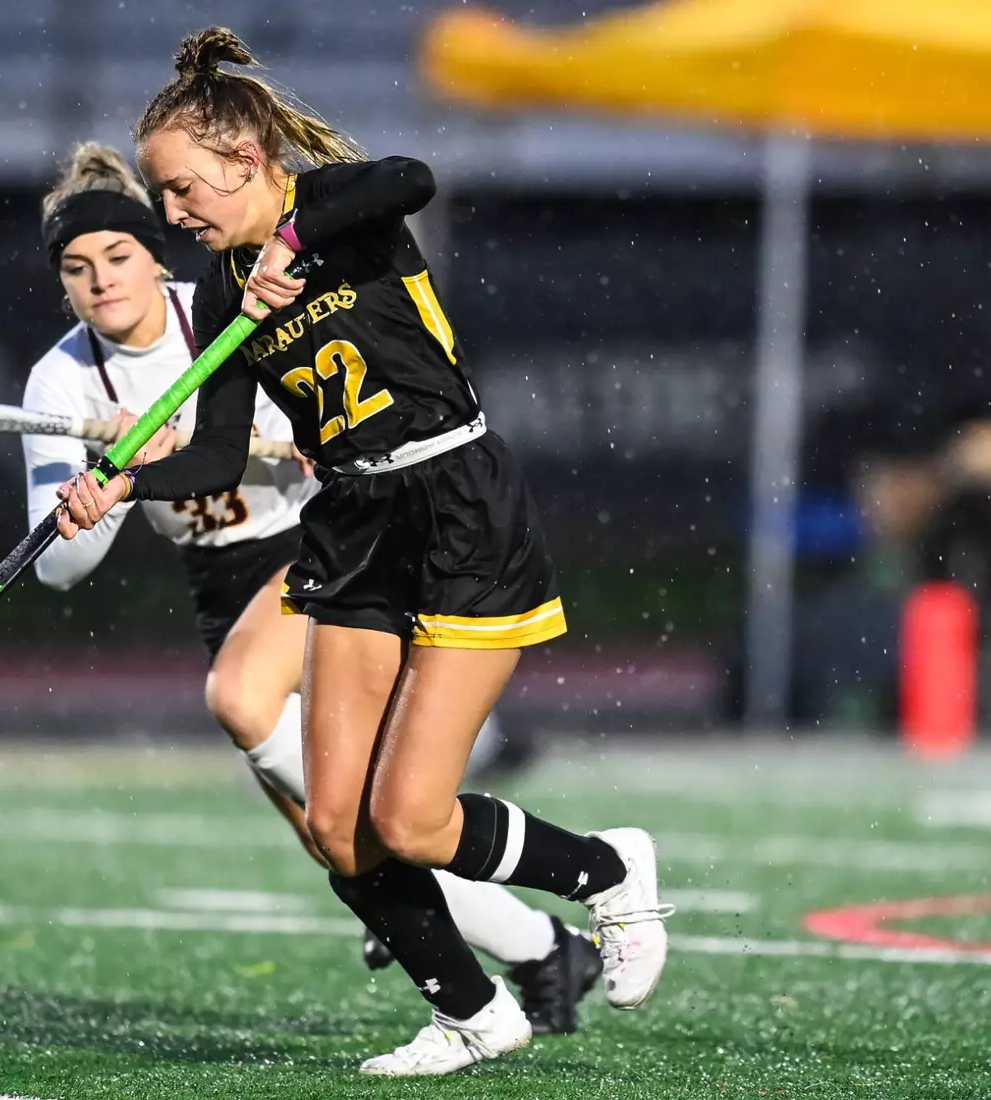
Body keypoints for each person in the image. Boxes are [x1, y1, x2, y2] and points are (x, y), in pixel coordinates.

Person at [56, 28, 673, 1076]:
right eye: (161, 197)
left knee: (413, 816)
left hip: (456, 506)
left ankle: (607, 868)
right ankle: (473, 1013)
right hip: (349, 529)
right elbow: (211, 452)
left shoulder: (338, 213)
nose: (170, 216)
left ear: (246, 162)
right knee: (340, 825)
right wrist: (120, 480)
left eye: (182, 189)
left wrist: (290, 249)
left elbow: (407, 176)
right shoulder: (215, 293)